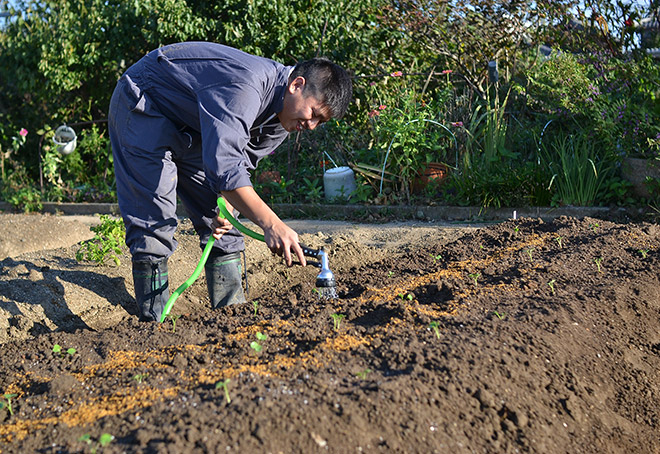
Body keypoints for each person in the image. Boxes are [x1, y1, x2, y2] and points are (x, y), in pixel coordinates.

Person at [108, 42, 352, 321]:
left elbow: (241, 165)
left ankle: (232, 319)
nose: (310, 127)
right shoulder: (246, 85)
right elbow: (225, 167)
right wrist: (272, 224)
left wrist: (228, 207)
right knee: (154, 219)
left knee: (225, 224)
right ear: (297, 84)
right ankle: (154, 323)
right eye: (313, 114)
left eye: (320, 123)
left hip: (194, 126)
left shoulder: (283, 119)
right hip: (145, 104)